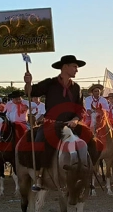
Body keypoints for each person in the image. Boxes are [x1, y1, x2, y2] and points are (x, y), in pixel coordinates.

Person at [23, 54, 94, 191]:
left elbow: (81, 108)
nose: (76, 70)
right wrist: (28, 82)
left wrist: (75, 119)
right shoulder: (50, 83)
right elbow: (30, 93)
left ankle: (87, 175)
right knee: (39, 142)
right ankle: (39, 176)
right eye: (74, 67)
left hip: (72, 124)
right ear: (65, 67)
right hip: (51, 124)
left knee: (91, 141)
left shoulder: (77, 88)